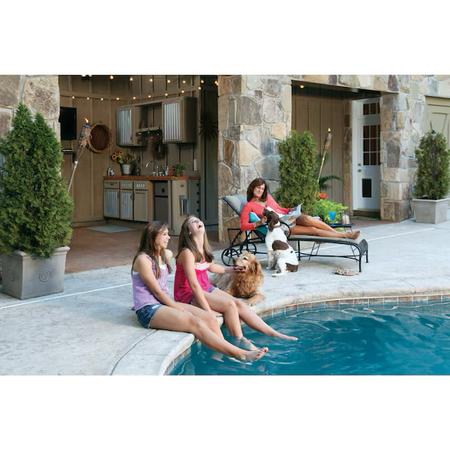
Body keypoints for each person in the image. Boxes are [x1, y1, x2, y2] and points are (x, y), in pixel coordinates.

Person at [132, 221, 268, 361]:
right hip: (149, 309)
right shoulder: (143, 259)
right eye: (165, 234)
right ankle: (239, 354)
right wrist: (177, 308)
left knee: (210, 318)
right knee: (195, 322)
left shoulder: (167, 254)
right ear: (153, 235)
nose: (169, 237)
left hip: (163, 303)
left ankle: (220, 356)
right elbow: (157, 292)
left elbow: (156, 286)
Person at [174, 215, 297, 341]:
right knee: (230, 305)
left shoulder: (203, 249)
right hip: (188, 293)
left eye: (198, 219)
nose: (197, 221)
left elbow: (213, 267)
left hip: (205, 288)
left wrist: (233, 269)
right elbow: (194, 285)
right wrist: (208, 310)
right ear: (189, 232)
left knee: (238, 303)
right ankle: (241, 341)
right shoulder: (187, 253)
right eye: (193, 222)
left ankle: (274, 333)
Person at [241, 177, 361, 240]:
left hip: (288, 217)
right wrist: (258, 223)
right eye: (258, 188)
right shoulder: (249, 206)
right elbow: (243, 226)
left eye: (262, 189)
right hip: (282, 226)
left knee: (308, 219)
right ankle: (345, 235)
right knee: (313, 230)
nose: (260, 190)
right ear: (252, 188)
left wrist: (290, 210)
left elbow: (279, 209)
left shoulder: (267, 197)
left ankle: (337, 233)